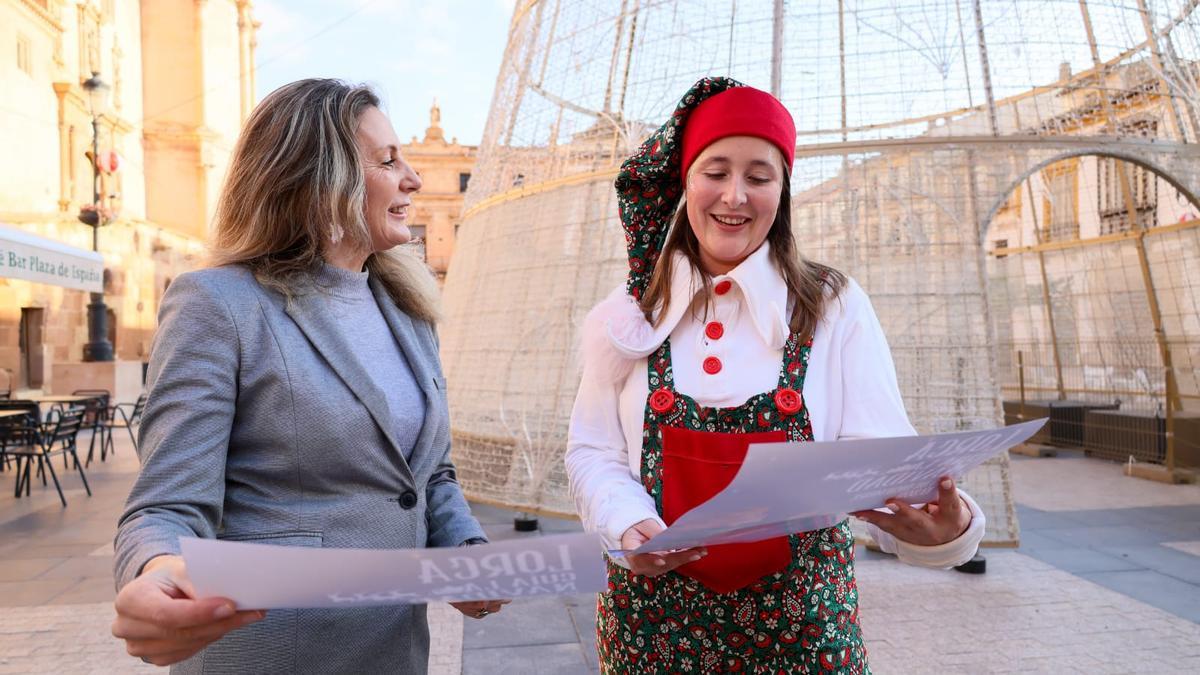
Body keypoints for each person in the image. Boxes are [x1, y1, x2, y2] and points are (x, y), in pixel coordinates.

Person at [565, 77, 986, 673]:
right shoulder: (631, 315)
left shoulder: (830, 303)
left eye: (759, 177)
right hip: (651, 632)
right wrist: (627, 522)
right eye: (715, 171)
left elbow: (880, 465)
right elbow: (592, 451)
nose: (734, 196)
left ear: (783, 190)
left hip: (804, 632)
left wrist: (949, 528)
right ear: (684, 180)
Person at [111, 79, 506, 672]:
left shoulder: (408, 310)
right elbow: (165, 504)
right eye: (387, 161)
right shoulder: (218, 303)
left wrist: (466, 550)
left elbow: (430, 473)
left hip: (394, 649)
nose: (414, 180)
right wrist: (158, 571)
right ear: (321, 180)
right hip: (272, 652)